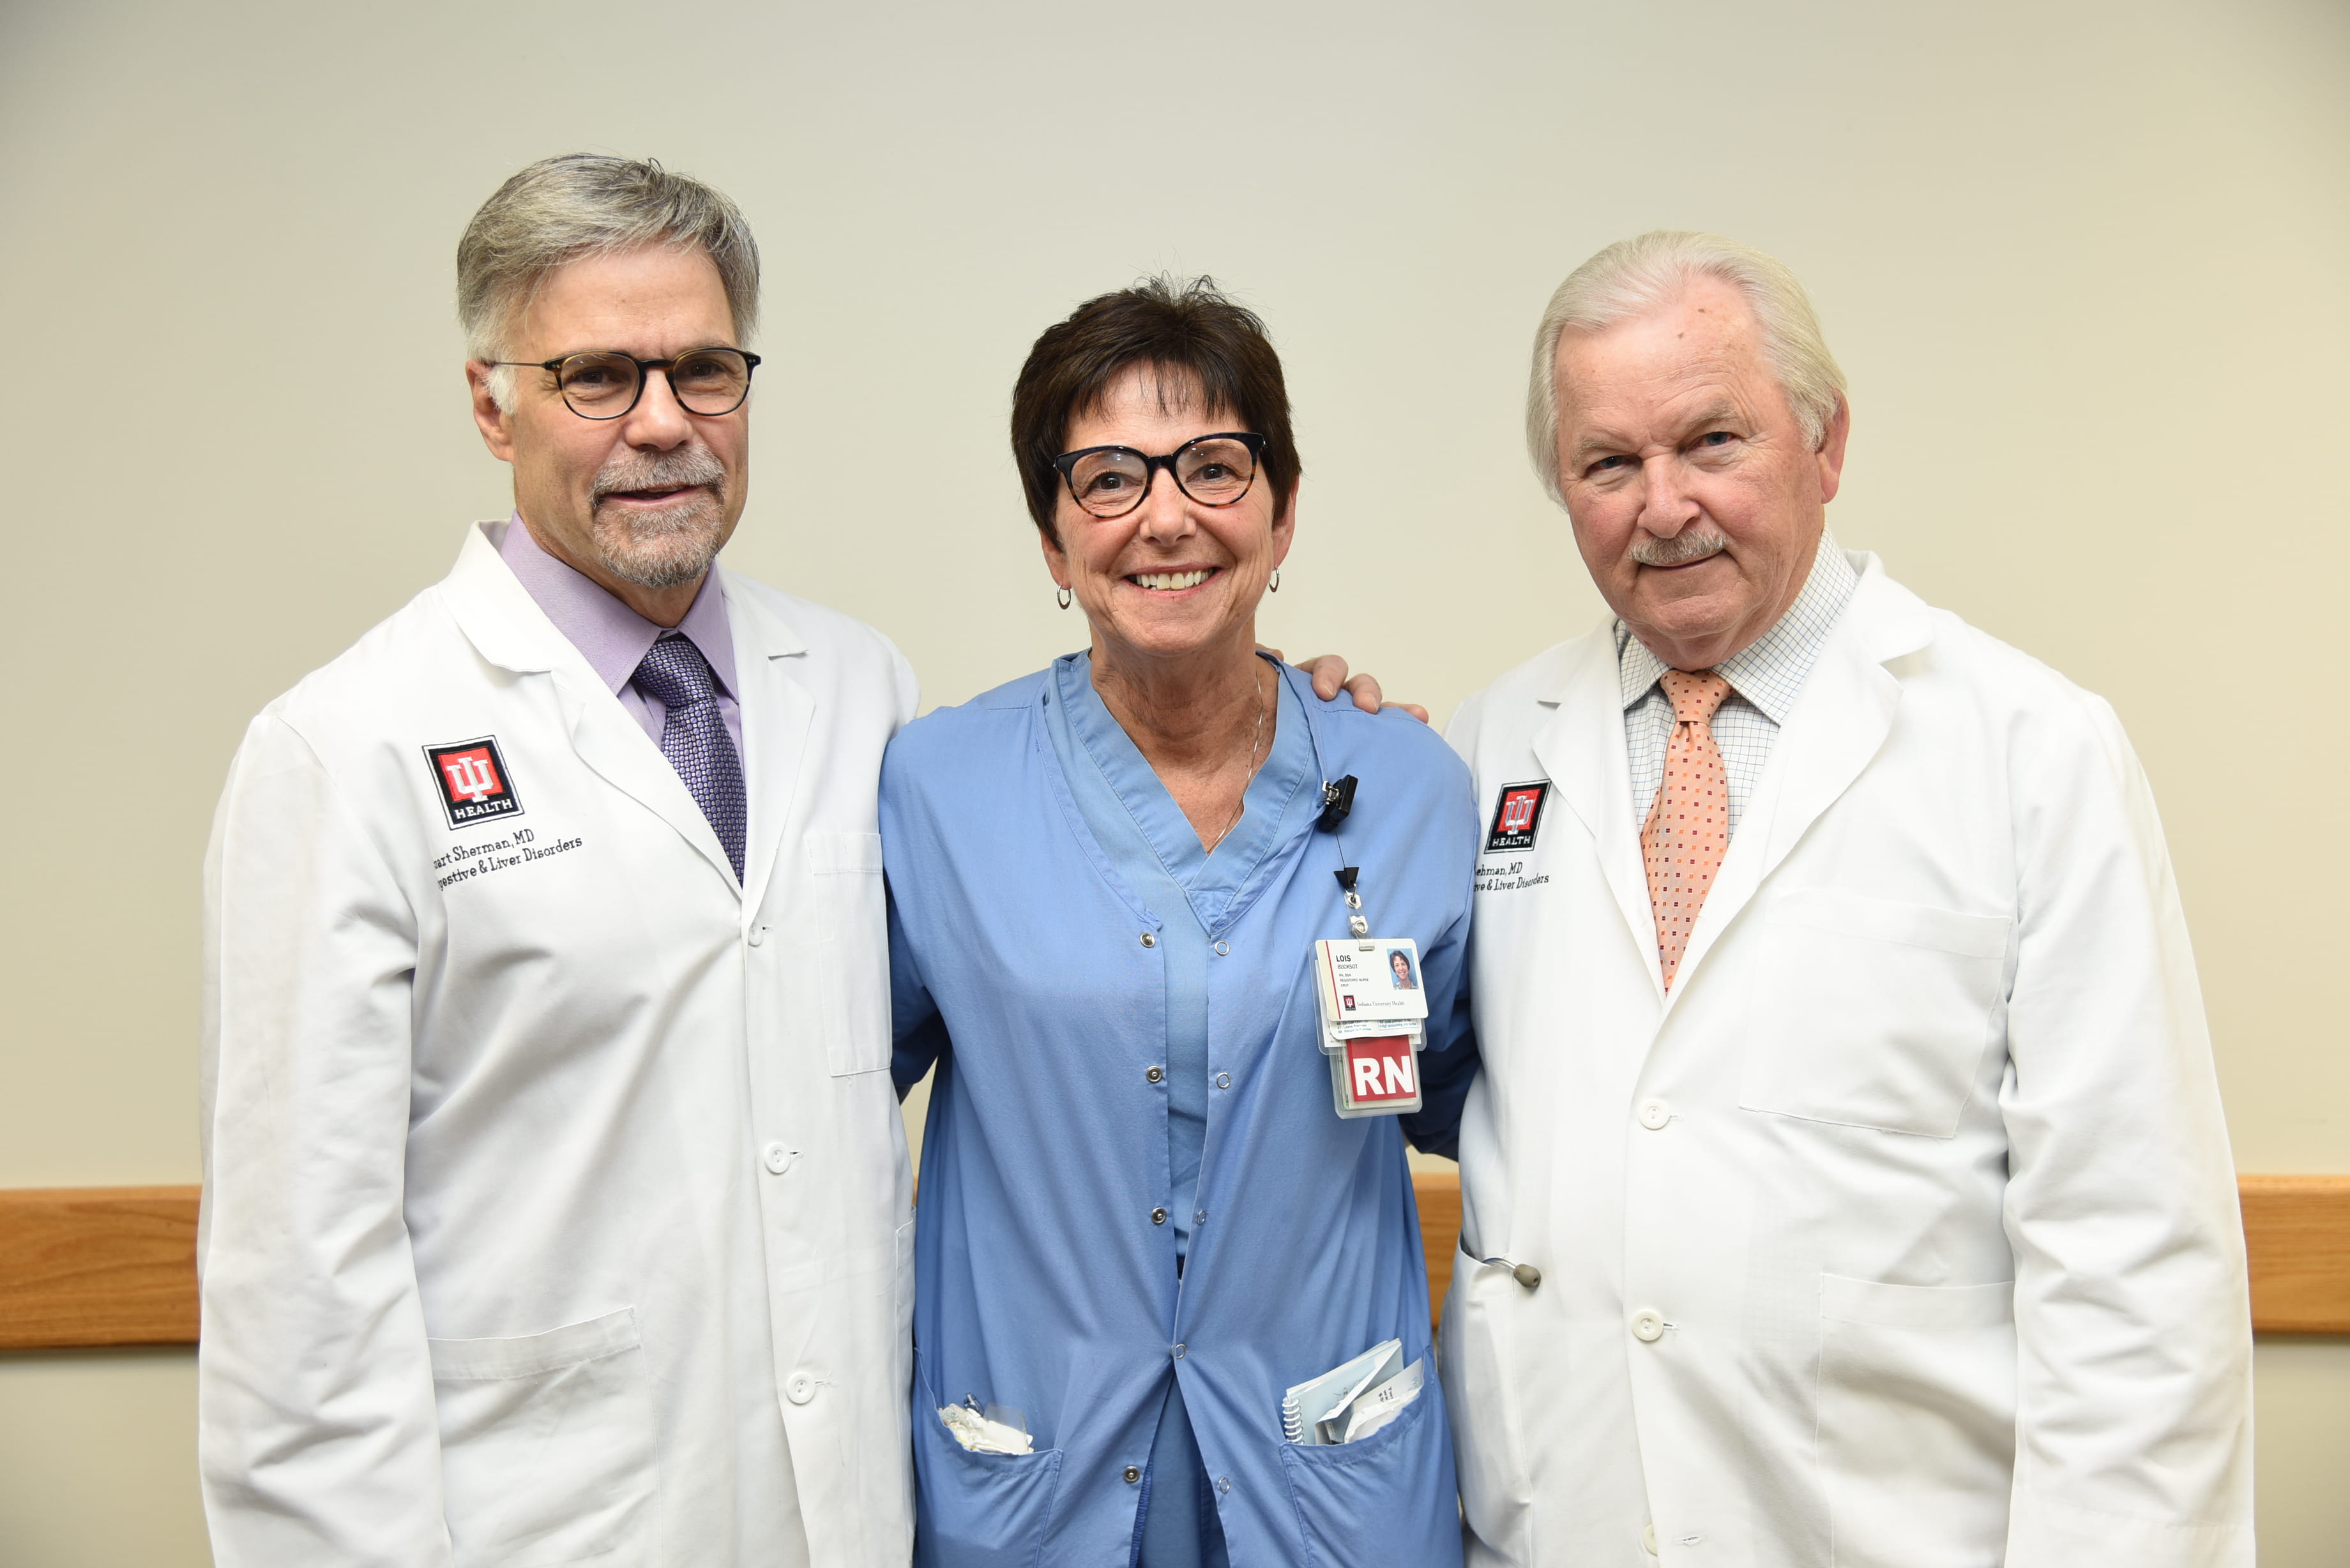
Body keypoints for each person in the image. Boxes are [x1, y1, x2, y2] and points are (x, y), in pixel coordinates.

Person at [196, 156, 1399, 1568]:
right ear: (491, 402)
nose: (664, 423)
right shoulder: (350, 747)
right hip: (539, 1523)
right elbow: (296, 1304)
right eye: (597, 376)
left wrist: (1283, 715)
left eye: (705, 371)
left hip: (846, 1511)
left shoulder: (853, 688)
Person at [1441, 232, 2252, 1566]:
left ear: (1824, 447)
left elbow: (2133, 1252)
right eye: (1607, 463)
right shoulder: (1487, 747)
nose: (1661, 505)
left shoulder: (2026, 748)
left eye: (1712, 442)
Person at [884, 278, 1478, 1567]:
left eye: (1213, 465)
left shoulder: (1412, 785)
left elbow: (1482, 1108)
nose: (1165, 516)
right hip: (1034, 1465)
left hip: (1334, 1466)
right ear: (1053, 537)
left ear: (1281, 509)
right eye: (1106, 477)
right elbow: (816, 1116)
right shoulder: (932, 791)